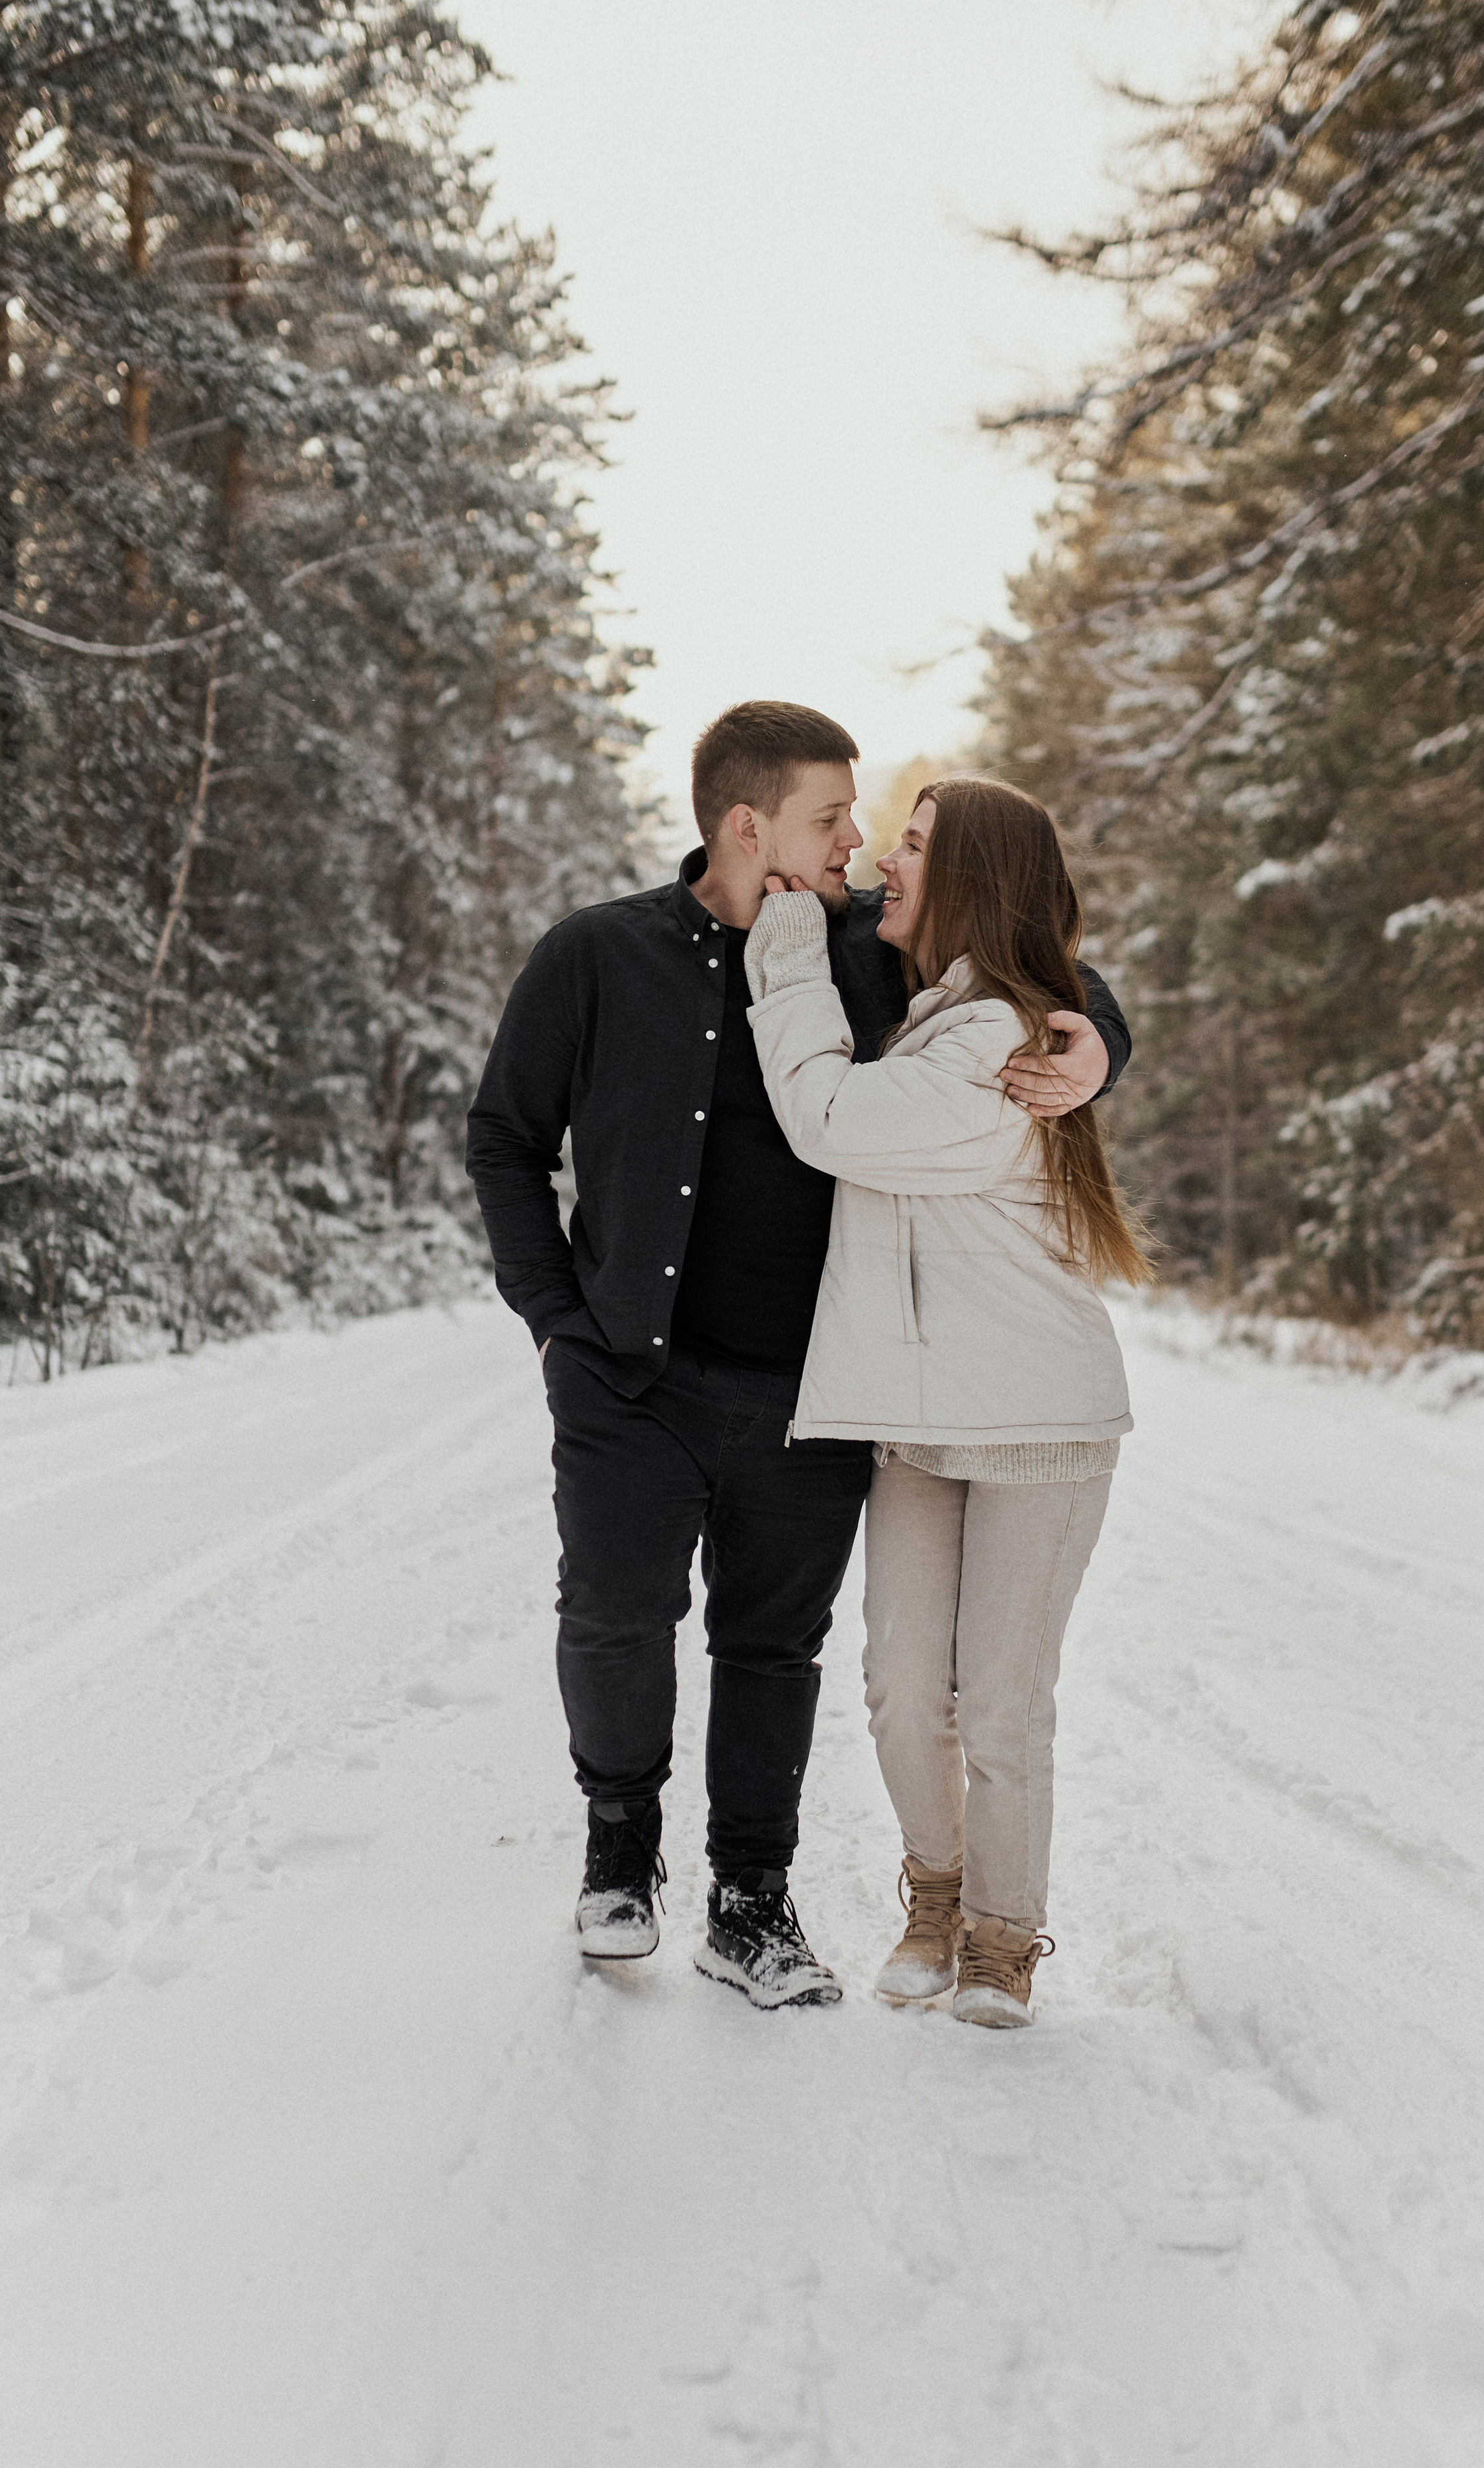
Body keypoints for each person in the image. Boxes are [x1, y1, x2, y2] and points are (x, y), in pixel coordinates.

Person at [464, 702, 1131, 2010]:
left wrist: (1099, 1042)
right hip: (628, 1368)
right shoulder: (594, 956)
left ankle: (752, 1910)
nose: (863, 847)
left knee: (775, 1651)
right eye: (835, 819)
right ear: (745, 823)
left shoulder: (859, 955)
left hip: (805, 1392)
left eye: (875, 826)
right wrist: (553, 1310)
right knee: (615, 1616)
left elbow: (1022, 967)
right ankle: (616, 1863)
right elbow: (505, 1133)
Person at [743, 776, 1151, 2027]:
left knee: (1003, 1700)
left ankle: (1001, 1932)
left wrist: (789, 951)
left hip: (1036, 1419)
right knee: (905, 1686)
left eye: (913, 848)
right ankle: (937, 1883)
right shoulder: (941, 1015)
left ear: (968, 878)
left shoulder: (993, 1040)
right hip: (922, 1413)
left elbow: (823, 1115)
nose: (884, 866)